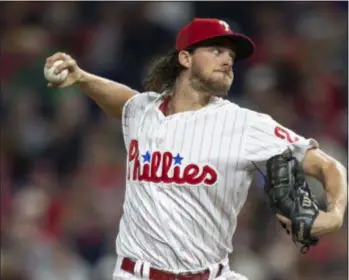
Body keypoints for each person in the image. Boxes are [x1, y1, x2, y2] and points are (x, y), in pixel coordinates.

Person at [45, 18, 347, 280]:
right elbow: (127, 102)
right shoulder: (143, 111)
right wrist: (82, 78)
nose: (228, 60)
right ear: (185, 59)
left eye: (231, 55)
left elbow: (329, 167)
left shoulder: (244, 124)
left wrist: (334, 214)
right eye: (216, 50)